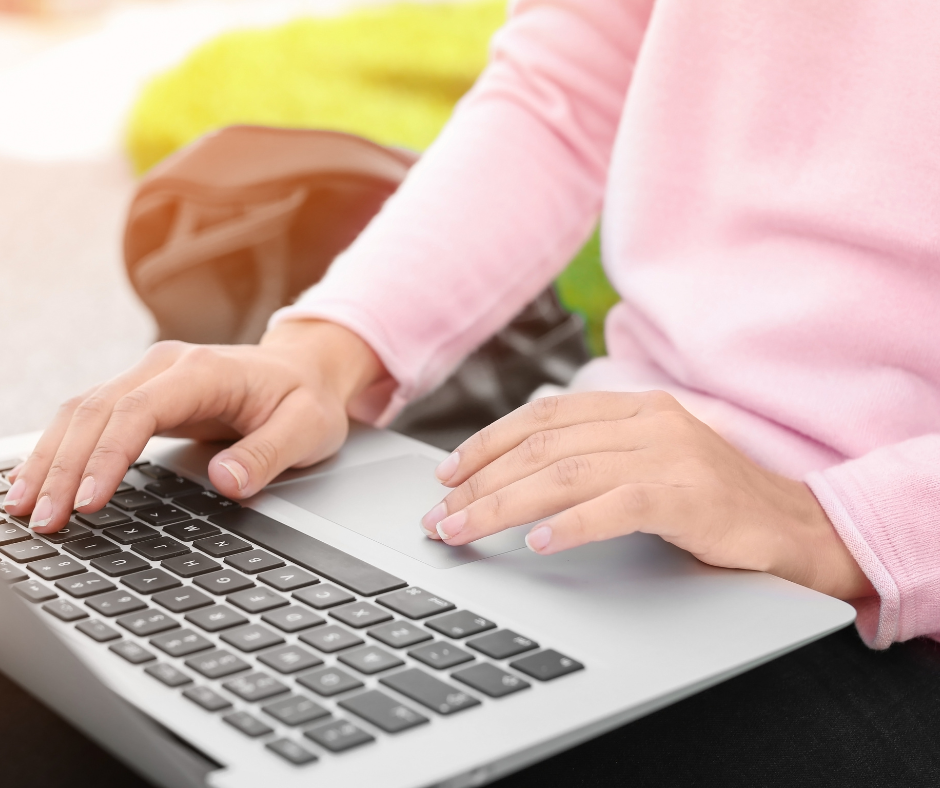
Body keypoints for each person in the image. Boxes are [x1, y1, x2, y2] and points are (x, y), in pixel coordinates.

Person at [5, 0, 940, 651]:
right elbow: (562, 96)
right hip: (617, 470)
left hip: (884, 596)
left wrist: (832, 527)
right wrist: (320, 354)